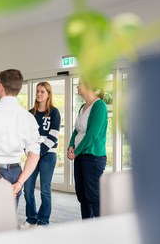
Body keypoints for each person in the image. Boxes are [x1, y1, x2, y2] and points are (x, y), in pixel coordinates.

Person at [0, 69, 41, 205]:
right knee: (7, 221)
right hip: (15, 174)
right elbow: (34, 155)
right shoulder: (29, 118)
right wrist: (20, 182)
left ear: (0, 86)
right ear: (20, 88)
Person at [20, 82, 61, 229]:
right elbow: (25, 135)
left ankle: (43, 221)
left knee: (45, 189)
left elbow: (54, 136)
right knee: (28, 187)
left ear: (48, 94)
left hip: (48, 154)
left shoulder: (54, 112)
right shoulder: (30, 113)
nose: (39, 94)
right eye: (37, 91)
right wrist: (29, 151)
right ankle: (31, 218)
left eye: (42, 92)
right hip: (33, 154)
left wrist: (39, 151)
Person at [67, 78, 108, 219]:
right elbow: (76, 130)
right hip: (80, 157)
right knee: (82, 196)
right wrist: (70, 146)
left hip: (93, 158)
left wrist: (76, 152)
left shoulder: (99, 106)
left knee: (93, 196)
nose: (77, 87)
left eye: (80, 84)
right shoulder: (82, 107)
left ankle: (103, 229)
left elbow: (92, 135)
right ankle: (88, 228)